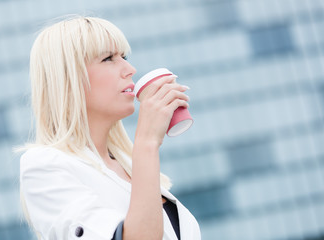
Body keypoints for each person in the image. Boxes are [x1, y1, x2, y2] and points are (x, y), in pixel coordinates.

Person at [19, 15, 201, 240]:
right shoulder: (44, 166)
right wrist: (147, 141)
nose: (130, 69)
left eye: (124, 56)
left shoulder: (129, 165)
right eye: (108, 58)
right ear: (69, 79)